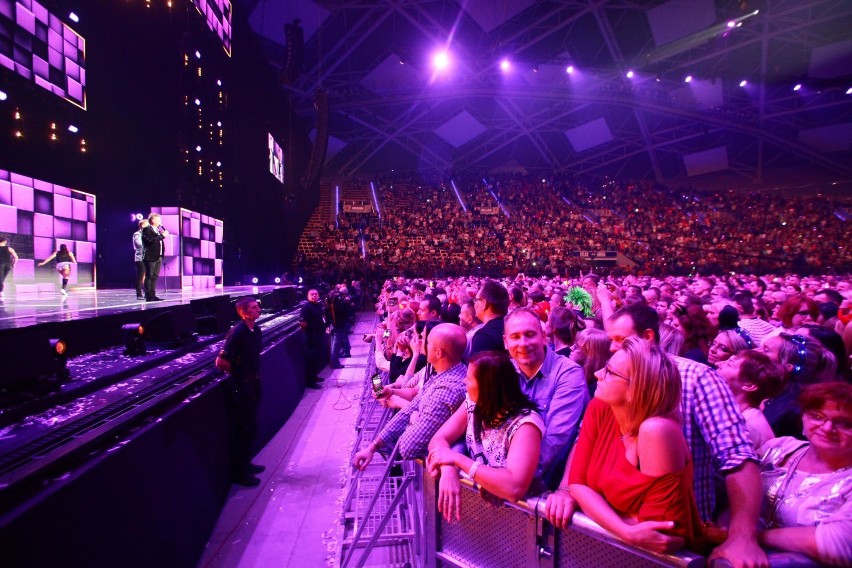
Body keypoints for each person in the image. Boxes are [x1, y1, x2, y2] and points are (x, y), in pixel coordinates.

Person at [547, 303, 766, 568]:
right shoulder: (606, 398)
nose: (612, 348)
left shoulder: (697, 379)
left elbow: (738, 458)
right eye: (610, 340)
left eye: (620, 339)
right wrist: (566, 490)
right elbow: (584, 456)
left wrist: (742, 536)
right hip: (613, 536)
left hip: (674, 543)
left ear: (647, 338)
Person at [567, 337, 704, 553]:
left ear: (636, 389)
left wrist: (595, 506)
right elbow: (576, 484)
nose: (597, 374)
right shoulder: (600, 407)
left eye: (610, 372)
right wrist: (625, 528)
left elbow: (659, 535)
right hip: (615, 548)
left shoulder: (656, 431)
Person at [427, 351, 544, 522]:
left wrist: (458, 460)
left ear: (487, 386)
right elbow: (438, 440)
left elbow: (514, 487)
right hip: (485, 519)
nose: (464, 381)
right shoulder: (473, 404)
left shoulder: (526, 425)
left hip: (521, 523)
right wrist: (448, 468)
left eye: (469, 378)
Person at [756, 382, 851, 566]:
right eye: (817, 416)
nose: (827, 428)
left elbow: (836, 544)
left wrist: (749, 536)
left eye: (844, 423)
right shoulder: (778, 448)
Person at [352, 323, 467, 468]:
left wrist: (414, 419)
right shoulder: (439, 374)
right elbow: (408, 409)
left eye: (425, 340)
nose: (419, 343)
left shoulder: (446, 390)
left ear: (438, 353)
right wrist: (372, 447)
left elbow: (408, 448)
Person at [504, 307, 588, 489]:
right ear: (505, 342)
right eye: (515, 337)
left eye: (529, 334)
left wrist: (514, 477)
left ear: (543, 336)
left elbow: (556, 438)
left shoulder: (568, 373)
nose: (523, 343)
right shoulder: (503, 371)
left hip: (548, 487)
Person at [215, 297, 265, 487]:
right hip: (243, 385)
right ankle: (240, 472)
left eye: (257, 306)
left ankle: (246, 463)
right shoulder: (237, 333)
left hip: (254, 382)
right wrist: (239, 376)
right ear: (244, 312)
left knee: (250, 429)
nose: (258, 309)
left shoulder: (256, 330)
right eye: (253, 307)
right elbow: (221, 362)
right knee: (245, 430)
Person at [716, 351, 785, 450]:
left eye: (730, 364)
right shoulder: (735, 414)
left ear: (749, 385)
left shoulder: (748, 428)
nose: (717, 363)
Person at [299, 289, 326, 389]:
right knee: (311, 359)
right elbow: (302, 323)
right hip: (311, 337)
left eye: (316, 294)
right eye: (312, 294)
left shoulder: (318, 305)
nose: (314, 296)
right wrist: (310, 332)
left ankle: (314, 376)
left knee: (317, 358)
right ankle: (310, 382)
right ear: (308, 296)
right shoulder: (306, 308)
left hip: (319, 335)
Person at [141, 212, 168, 301]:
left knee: (155, 277)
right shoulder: (146, 230)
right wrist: (162, 236)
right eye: (159, 220)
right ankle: (148, 296)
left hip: (158, 256)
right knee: (149, 276)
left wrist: (161, 235)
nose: (160, 222)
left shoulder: (157, 230)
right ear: (153, 220)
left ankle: (153, 295)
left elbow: (158, 242)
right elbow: (151, 241)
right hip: (150, 256)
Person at [132, 219, 148, 300]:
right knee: (140, 276)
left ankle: (147, 293)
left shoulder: (148, 234)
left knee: (147, 276)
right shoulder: (137, 234)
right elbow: (139, 244)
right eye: (147, 225)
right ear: (142, 226)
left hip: (148, 258)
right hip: (140, 258)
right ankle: (139, 294)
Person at [0, 236, 19, 300]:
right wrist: (14, 264)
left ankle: (1, 292)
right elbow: (16, 258)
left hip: (0, 264)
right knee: (2, 279)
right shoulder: (9, 249)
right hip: (8, 265)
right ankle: (1, 292)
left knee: (1, 279)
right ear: (5, 241)